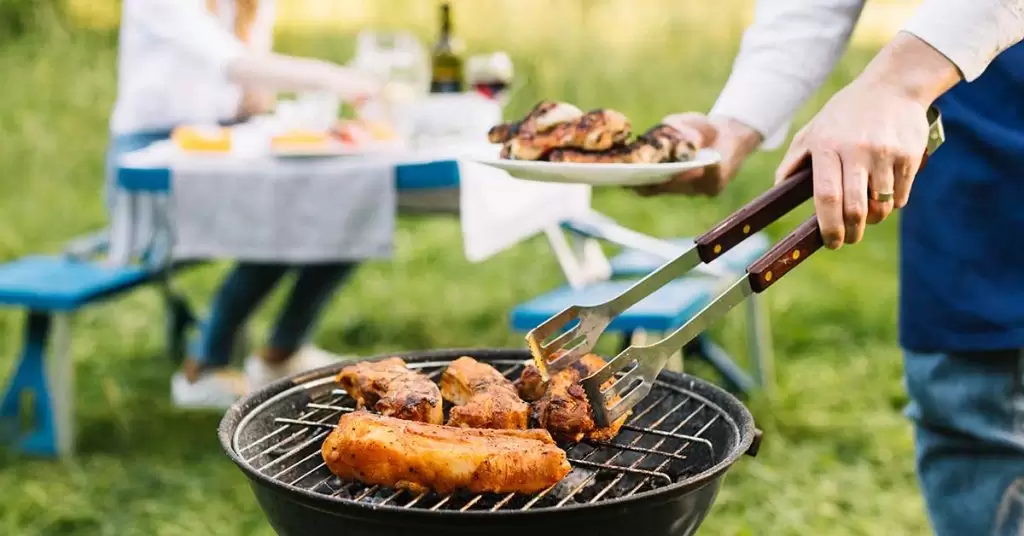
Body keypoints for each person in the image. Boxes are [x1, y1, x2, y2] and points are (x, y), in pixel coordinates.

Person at [639, 1, 1024, 534]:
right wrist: (737, 121)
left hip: (945, 68)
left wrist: (898, 79)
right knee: (966, 405)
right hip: (963, 107)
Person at [107, 0, 379, 408]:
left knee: (343, 204)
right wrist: (332, 79)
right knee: (281, 223)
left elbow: (252, 92)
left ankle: (282, 352)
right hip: (154, 157)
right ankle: (205, 365)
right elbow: (233, 63)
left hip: (223, 145)